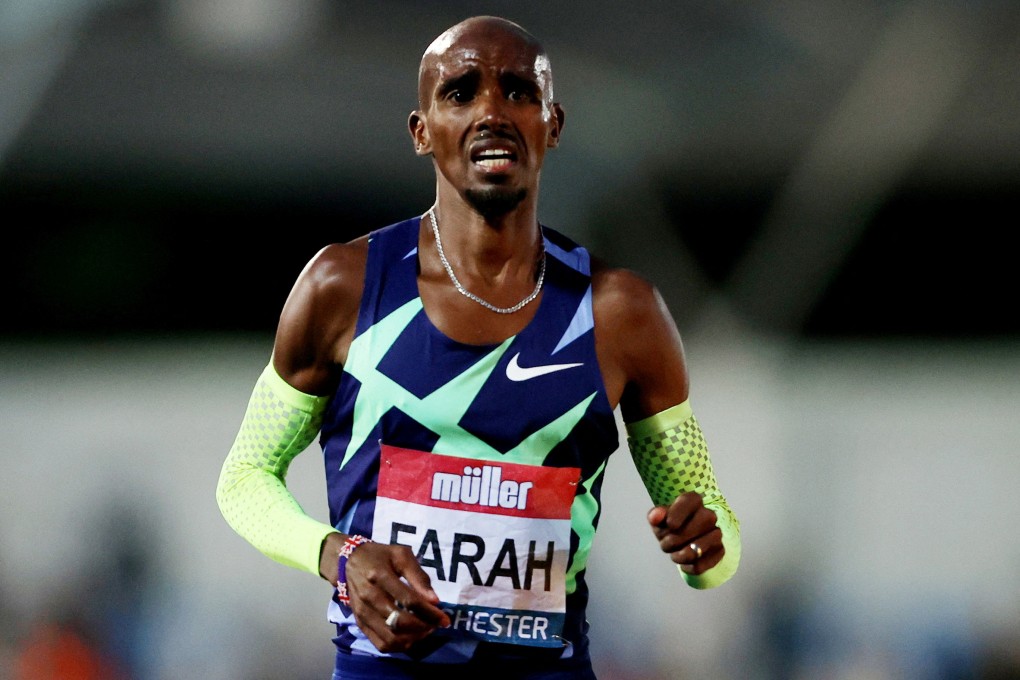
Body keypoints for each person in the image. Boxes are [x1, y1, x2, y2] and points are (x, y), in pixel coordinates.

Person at [216, 15, 740, 680]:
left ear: (553, 125)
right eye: (461, 93)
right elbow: (244, 480)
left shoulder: (621, 312)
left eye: (520, 91)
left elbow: (714, 534)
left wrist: (707, 553)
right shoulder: (342, 287)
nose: (492, 111)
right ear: (421, 131)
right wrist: (337, 556)